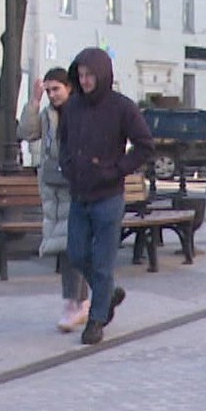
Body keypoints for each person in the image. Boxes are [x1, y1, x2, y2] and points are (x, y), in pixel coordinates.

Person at [59, 47, 155, 345]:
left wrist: (116, 169)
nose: (85, 81)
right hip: (80, 194)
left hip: (109, 195)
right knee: (77, 253)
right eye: (82, 75)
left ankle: (97, 318)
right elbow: (64, 142)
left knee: (102, 261)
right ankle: (108, 293)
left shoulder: (122, 108)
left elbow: (144, 146)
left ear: (102, 75)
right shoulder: (72, 107)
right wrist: (68, 166)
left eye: (90, 75)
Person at [18, 67, 89, 332]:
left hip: (77, 186)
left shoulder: (81, 111)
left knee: (73, 247)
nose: (52, 95)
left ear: (69, 87)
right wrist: (34, 103)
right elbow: (27, 132)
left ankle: (76, 302)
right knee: (67, 248)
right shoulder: (48, 114)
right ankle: (81, 300)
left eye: (56, 89)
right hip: (54, 188)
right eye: (48, 90)